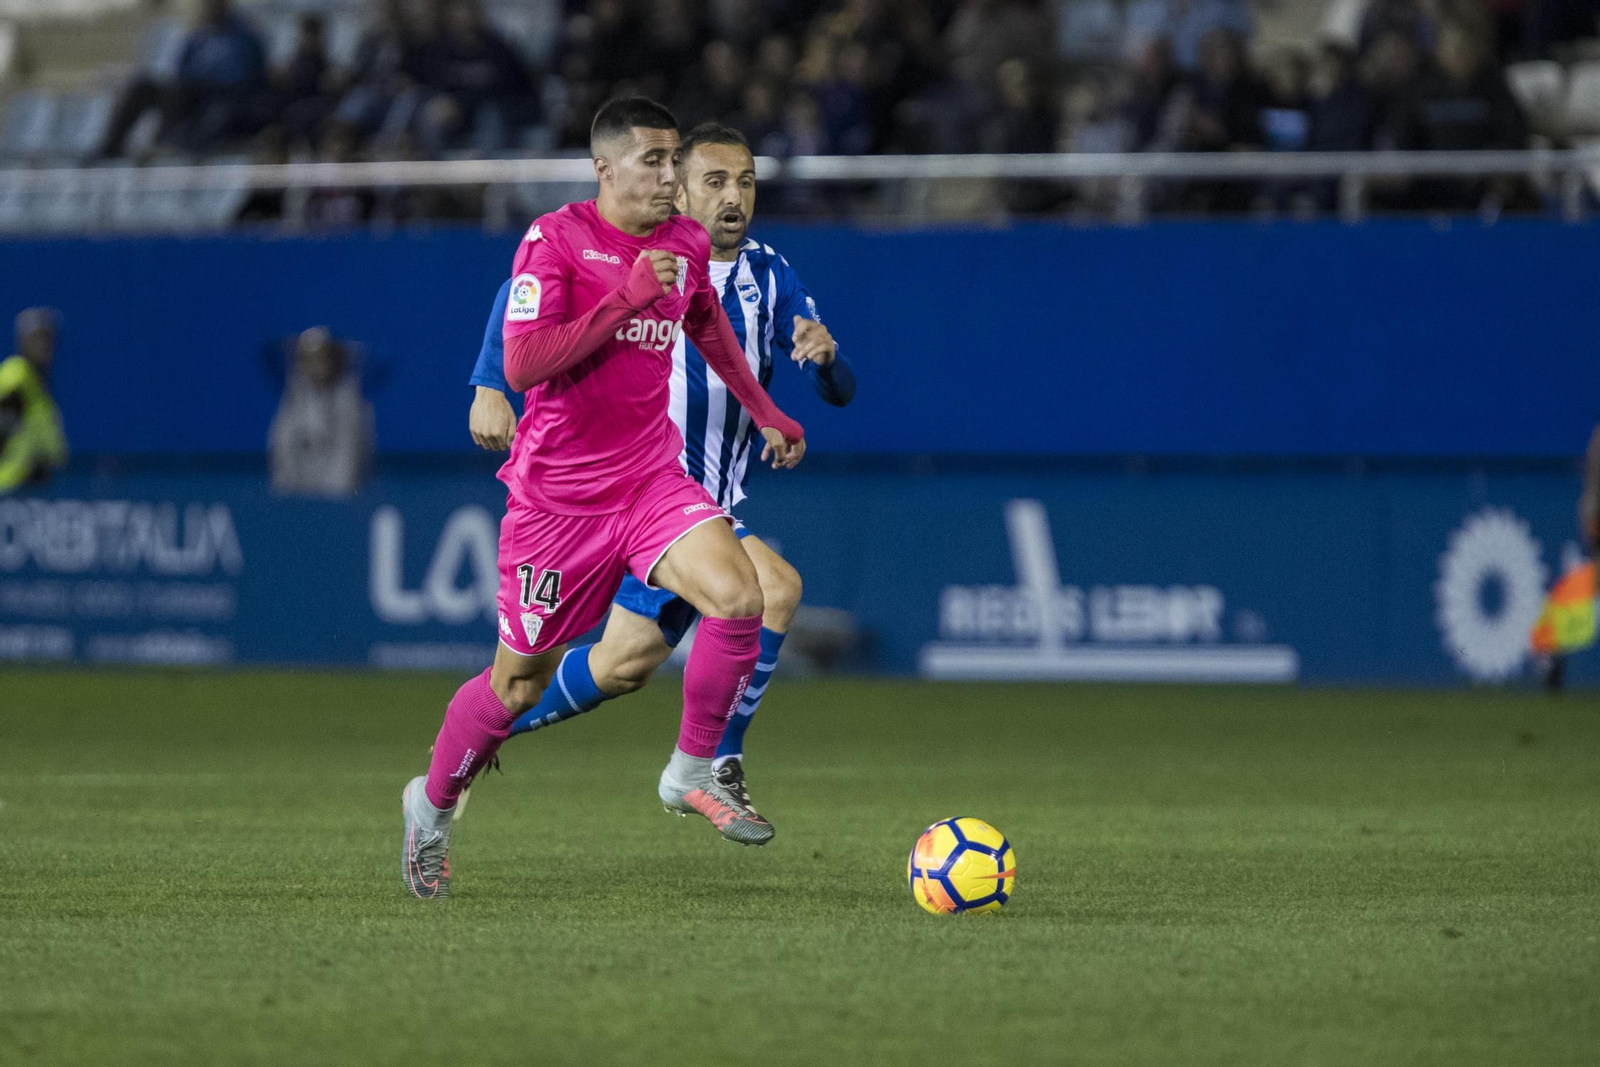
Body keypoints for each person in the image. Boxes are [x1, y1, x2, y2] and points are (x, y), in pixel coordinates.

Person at [399, 98, 807, 900]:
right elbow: (523, 363)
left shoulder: (684, 241)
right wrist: (619, 297)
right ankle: (432, 805)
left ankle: (692, 770)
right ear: (605, 167)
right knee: (516, 683)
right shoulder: (555, 241)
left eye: (671, 162)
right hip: (559, 504)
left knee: (742, 594)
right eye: (653, 163)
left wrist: (765, 408)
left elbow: (706, 324)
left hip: (650, 480)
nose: (669, 178)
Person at [465, 121, 856, 824]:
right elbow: (517, 296)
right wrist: (490, 381)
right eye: (714, 181)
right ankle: (716, 763)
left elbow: (838, 387)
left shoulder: (771, 274)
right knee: (773, 588)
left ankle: (485, 733)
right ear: (677, 184)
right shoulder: (636, 245)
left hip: (698, 495)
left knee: (622, 665)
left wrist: (824, 363)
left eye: (745, 182)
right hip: (644, 487)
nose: (733, 197)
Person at [267, 327, 373, 497]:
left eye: (320, 359)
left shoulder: (348, 398)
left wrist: (330, 500)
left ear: (332, 361)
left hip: (335, 497)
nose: (312, 366)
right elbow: (282, 447)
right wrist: (286, 491)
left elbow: (347, 455)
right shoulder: (294, 396)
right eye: (306, 359)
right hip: (297, 494)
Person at [0, 309, 68, 493]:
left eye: (48, 338)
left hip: (30, 494)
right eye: (36, 338)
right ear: (22, 341)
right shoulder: (16, 378)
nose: (44, 345)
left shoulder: (38, 384)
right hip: (9, 494)